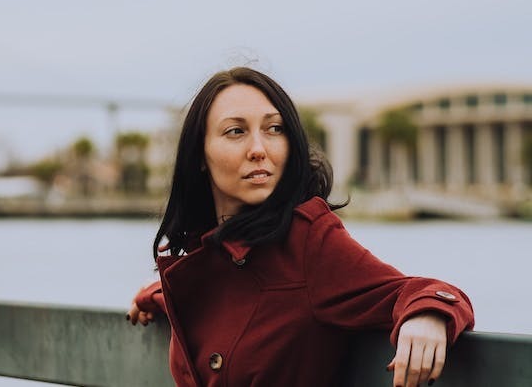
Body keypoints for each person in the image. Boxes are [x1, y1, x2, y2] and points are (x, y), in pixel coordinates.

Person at [126, 67, 474, 387]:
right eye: (236, 132)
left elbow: (412, 290)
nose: (259, 149)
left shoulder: (308, 240)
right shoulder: (203, 254)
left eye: (274, 129)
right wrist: (160, 294)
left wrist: (429, 314)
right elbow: (235, 300)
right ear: (200, 154)